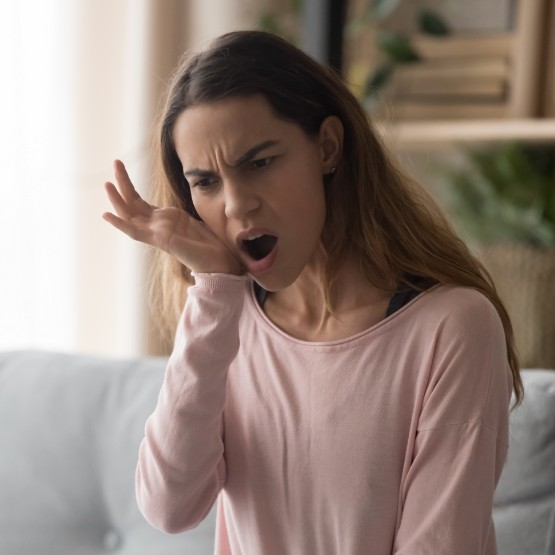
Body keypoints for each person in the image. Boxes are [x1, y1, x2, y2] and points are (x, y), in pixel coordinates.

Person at [103, 30, 522, 555]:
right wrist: (213, 294)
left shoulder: (452, 327)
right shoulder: (226, 322)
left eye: (259, 163)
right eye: (205, 182)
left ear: (326, 147)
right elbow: (169, 507)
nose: (236, 205)